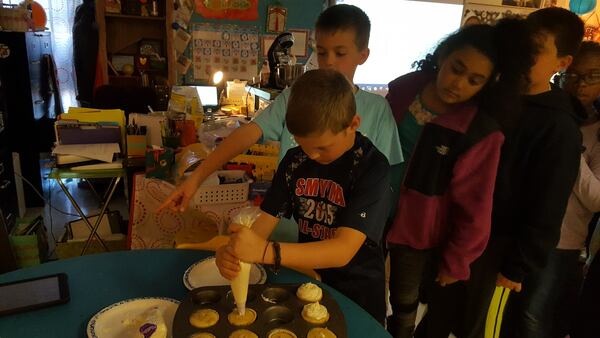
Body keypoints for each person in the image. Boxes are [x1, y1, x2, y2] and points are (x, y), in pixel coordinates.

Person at [159, 4, 403, 242]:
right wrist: (196, 178)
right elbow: (247, 134)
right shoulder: (295, 96)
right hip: (285, 235)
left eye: (340, 53)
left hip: (342, 248)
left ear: (363, 55)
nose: (328, 62)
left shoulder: (377, 110)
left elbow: (385, 181)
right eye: (321, 51)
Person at [384, 18, 534, 338]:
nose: (458, 83)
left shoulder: (479, 131)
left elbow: (476, 208)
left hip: (418, 233)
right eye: (456, 68)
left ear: (488, 84)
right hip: (373, 209)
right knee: (365, 285)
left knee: (404, 302)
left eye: (474, 79)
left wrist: (457, 262)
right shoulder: (403, 90)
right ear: (443, 56)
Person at [215, 69, 391, 323]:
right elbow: (262, 226)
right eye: (303, 145)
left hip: (358, 293)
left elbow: (342, 250)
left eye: (321, 148)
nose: (312, 156)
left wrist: (266, 252)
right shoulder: (295, 162)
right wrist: (234, 252)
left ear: (353, 124)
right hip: (309, 282)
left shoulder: (372, 168)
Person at [459, 7, 585, 338]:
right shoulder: (495, 99)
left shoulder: (559, 126)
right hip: (467, 239)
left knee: (484, 328)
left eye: (538, 49)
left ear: (562, 63)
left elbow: (548, 205)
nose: (524, 56)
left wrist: (515, 267)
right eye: (523, 45)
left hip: (502, 251)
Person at [545, 41, 600, 338]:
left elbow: (596, 199)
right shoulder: (548, 116)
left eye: (592, 75)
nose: (581, 84)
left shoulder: (596, 131)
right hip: (529, 235)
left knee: (538, 319)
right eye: (573, 75)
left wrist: (569, 150)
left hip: (565, 243)